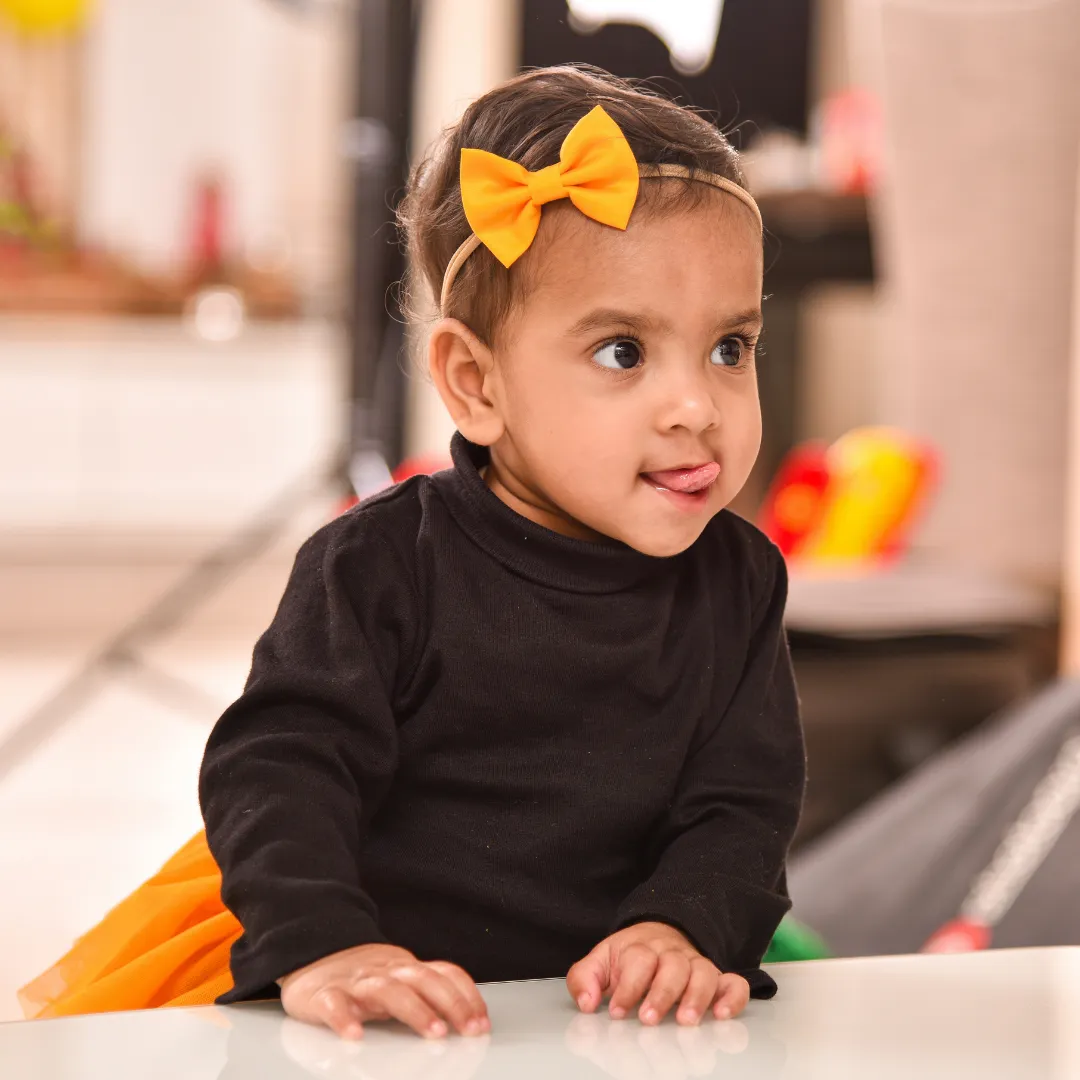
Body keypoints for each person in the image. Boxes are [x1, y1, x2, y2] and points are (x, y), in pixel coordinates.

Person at [20, 65, 805, 1040]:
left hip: (591, 1017)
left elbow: (742, 802)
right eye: (624, 353)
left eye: (731, 347)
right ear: (475, 384)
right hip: (379, 994)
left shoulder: (738, 578)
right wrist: (325, 946)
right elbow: (280, 769)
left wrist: (680, 925)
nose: (699, 406)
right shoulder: (379, 567)